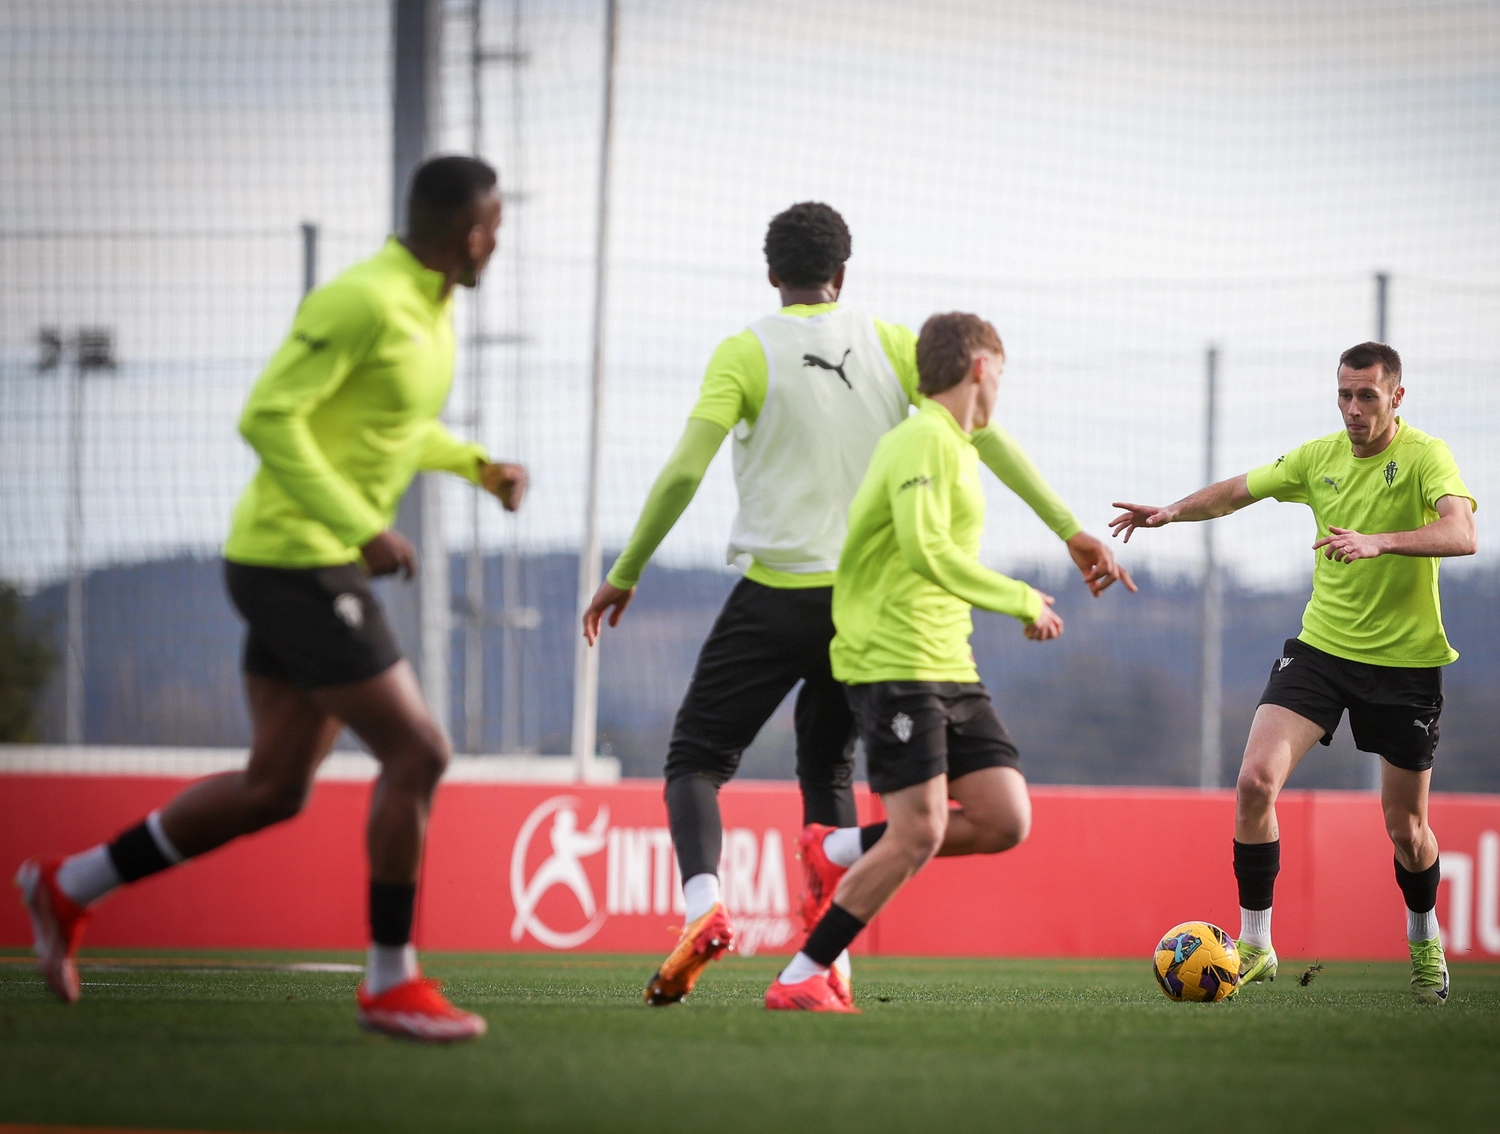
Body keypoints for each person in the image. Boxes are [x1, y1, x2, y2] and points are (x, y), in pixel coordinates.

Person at [15, 155, 527, 1042]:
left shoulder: (433, 313)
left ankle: (69, 886)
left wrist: (475, 465)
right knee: (418, 752)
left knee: (274, 786)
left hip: (319, 562)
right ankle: (390, 983)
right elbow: (266, 415)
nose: (498, 242)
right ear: (469, 233)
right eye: (495, 227)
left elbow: (397, 426)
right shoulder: (364, 299)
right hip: (295, 559)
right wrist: (358, 526)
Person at [580, 204, 1131, 1007]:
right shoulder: (891, 342)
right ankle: (827, 964)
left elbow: (679, 474)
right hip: (864, 604)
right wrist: (1068, 526)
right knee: (827, 774)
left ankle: (705, 908)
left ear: (772, 275)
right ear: (845, 274)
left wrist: (626, 571)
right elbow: (985, 433)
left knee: (696, 761)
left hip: (775, 595)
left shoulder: (745, 351)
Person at [1109, 341, 1476, 1005]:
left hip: (1405, 667)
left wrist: (1379, 541)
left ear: (1397, 396)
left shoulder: (1426, 456)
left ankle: (1424, 941)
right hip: (1322, 653)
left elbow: (1462, 533)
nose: (1353, 408)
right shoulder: (1318, 457)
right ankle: (1256, 944)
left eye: (1367, 395)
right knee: (1254, 782)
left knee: (1407, 831)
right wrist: (1169, 512)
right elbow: (1234, 493)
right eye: (1344, 394)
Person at [767, 312, 1070, 1013]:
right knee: (921, 830)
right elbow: (924, 548)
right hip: (893, 661)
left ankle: (837, 849)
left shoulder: (959, 446)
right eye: (1003, 375)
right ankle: (800, 976)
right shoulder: (921, 440)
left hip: (948, 664)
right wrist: (1021, 598)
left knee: (1004, 818)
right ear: (982, 369)